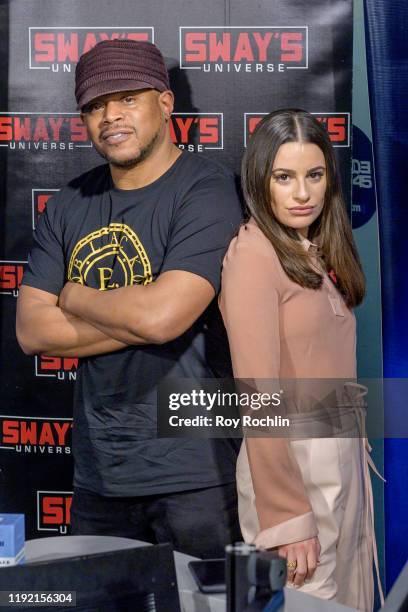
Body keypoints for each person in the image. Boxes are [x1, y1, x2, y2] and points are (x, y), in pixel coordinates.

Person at [16, 39, 242, 558]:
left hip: (196, 472)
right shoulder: (71, 202)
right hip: (100, 473)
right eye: (94, 106)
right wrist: (140, 315)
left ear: (165, 103)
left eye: (126, 99)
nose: (109, 116)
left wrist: (72, 294)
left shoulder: (206, 189)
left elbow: (163, 318)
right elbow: (32, 331)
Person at [219, 109, 383, 610]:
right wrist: (288, 518)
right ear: (259, 180)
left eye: (314, 175)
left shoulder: (313, 248)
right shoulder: (253, 256)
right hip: (295, 469)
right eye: (284, 177)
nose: (302, 193)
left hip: (340, 455)